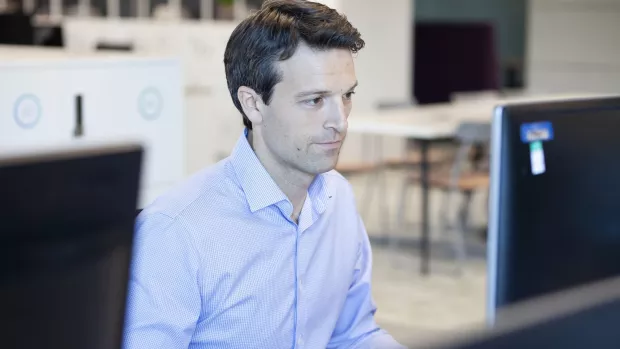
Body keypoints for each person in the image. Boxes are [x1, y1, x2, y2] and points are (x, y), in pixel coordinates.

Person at [122, 0, 406, 348]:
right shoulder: (176, 233)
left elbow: (354, 335)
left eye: (346, 96)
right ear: (253, 104)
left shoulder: (339, 200)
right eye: (315, 100)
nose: (340, 120)